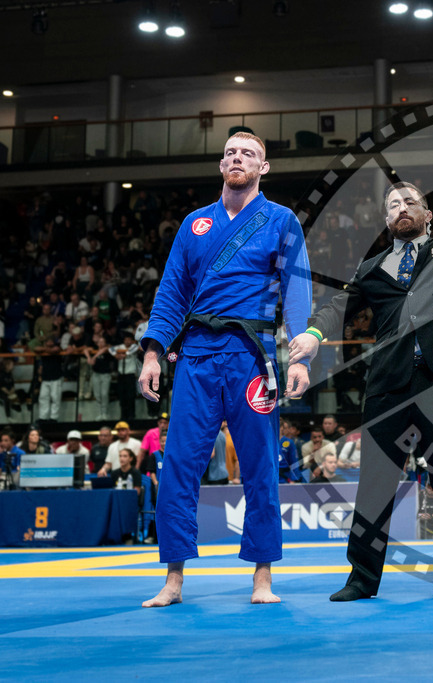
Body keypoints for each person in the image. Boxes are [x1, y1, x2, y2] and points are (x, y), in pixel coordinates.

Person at [136, 132, 313, 607]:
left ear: (264, 168)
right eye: (232, 153)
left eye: (249, 154)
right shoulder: (195, 223)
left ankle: (262, 577)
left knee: (260, 466)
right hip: (195, 355)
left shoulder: (281, 220)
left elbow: (296, 290)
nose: (239, 159)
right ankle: (173, 578)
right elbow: (171, 292)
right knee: (178, 466)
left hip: (252, 357)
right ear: (221, 165)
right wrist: (153, 353)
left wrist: (301, 357)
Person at [290, 181, 433, 602]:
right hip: (389, 385)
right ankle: (362, 579)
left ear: (428, 215)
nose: (402, 208)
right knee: (375, 484)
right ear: (385, 220)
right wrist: (312, 333)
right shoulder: (372, 269)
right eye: (393, 204)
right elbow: (338, 308)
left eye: (411, 202)